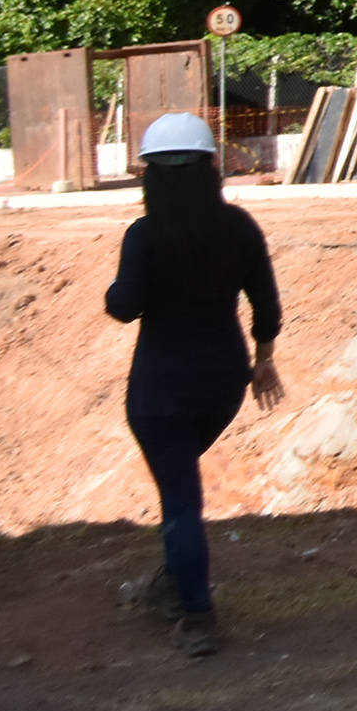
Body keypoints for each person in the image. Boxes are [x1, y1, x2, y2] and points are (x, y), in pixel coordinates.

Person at [103, 111, 283, 657]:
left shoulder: (145, 234)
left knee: (180, 501)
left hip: (160, 391)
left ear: (149, 177)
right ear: (212, 170)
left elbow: (124, 307)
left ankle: (198, 617)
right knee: (180, 488)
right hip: (223, 386)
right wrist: (264, 362)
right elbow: (267, 308)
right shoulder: (241, 227)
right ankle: (170, 583)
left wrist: (117, 289)